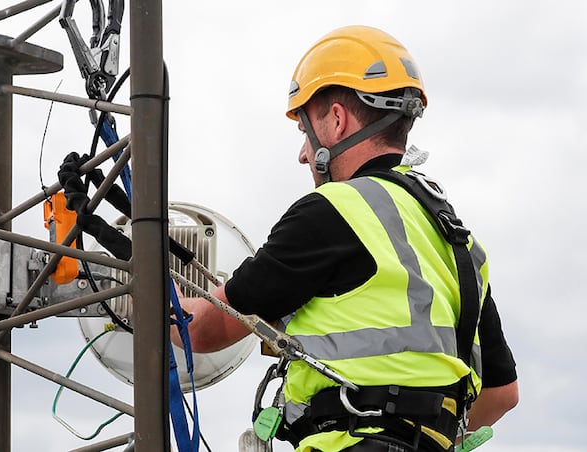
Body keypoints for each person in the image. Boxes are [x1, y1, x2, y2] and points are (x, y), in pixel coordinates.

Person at [179, 25, 518, 452]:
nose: (303, 154)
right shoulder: (456, 239)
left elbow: (202, 331)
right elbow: (502, 394)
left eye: (305, 132)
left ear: (337, 120)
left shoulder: (332, 212)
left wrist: (148, 295)